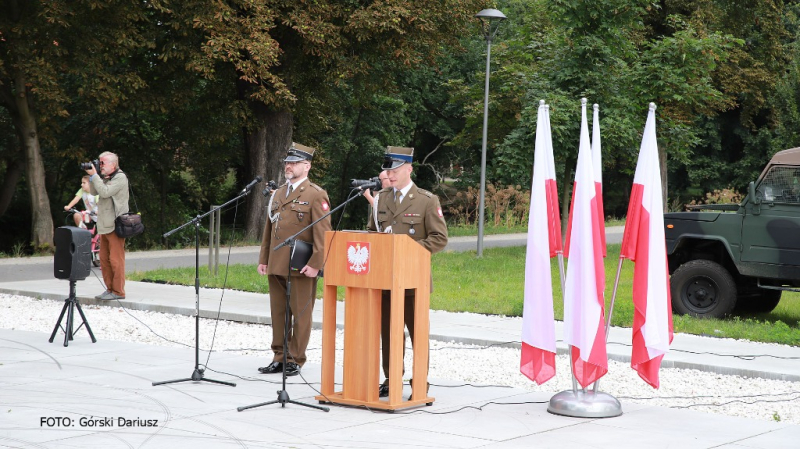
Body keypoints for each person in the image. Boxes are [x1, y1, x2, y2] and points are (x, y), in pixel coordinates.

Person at [367, 146, 448, 398]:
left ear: (409, 169)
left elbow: (439, 238)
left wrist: (408, 252)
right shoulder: (381, 198)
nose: (390, 175)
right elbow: (372, 233)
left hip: (414, 281)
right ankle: (392, 379)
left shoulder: (426, 200)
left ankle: (420, 381)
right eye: (388, 170)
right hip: (387, 280)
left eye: (395, 170)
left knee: (417, 334)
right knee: (389, 334)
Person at [257, 142, 332, 377]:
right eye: (287, 162)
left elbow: (323, 234)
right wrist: (264, 258)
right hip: (277, 261)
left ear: (306, 166)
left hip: (302, 263)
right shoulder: (279, 192)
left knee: (300, 313)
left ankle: (295, 358)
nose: (288, 166)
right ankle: (279, 356)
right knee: (279, 312)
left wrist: (316, 264)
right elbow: (269, 228)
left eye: (294, 162)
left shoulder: (316, 194)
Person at [84, 152, 129, 300]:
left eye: (103, 163)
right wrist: (93, 175)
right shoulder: (106, 177)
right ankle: (109, 289)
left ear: (113, 164)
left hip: (115, 225)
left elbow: (104, 192)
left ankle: (118, 292)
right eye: (100, 163)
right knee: (104, 259)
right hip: (104, 224)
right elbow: (93, 190)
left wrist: (95, 175)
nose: (100, 166)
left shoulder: (120, 177)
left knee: (116, 260)